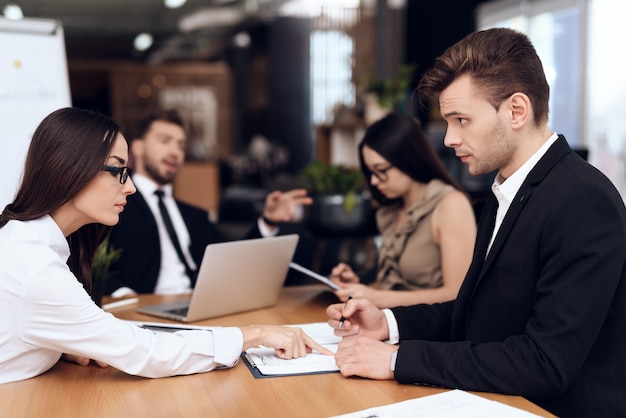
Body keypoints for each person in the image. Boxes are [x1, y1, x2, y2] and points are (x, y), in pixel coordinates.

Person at [326, 28, 626, 417]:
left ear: (516, 110)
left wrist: (396, 360)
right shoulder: (503, 189)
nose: (449, 138)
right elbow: (477, 313)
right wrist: (387, 323)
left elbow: (545, 362)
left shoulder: (584, 201)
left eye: (462, 119)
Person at [0, 107, 331, 385]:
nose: (128, 187)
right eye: (117, 170)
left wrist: (65, 341)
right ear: (68, 170)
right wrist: (255, 335)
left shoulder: (27, 244)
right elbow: (144, 354)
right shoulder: (36, 267)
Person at [105, 109, 311, 296]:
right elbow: (87, 265)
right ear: (138, 148)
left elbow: (232, 260)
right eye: (165, 140)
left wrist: (267, 220)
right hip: (140, 313)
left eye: (181, 145)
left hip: (198, 307)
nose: (175, 152)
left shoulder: (193, 216)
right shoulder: (115, 207)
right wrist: (123, 294)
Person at [330, 112, 476, 308]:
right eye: (371, 172)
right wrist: (356, 287)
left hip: (429, 331)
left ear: (407, 159)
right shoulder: (391, 210)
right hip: (387, 323)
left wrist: (378, 297)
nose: (373, 181)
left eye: (381, 170)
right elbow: (391, 287)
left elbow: (457, 293)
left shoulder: (450, 205)